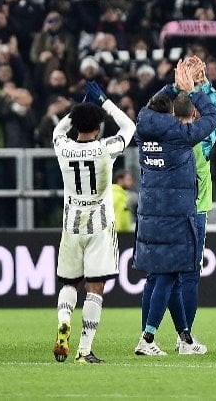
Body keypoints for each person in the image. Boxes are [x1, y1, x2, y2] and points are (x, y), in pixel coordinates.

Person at [132, 58, 216, 356]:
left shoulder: (143, 129)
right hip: (177, 215)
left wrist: (172, 86)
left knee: (159, 275)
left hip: (150, 214)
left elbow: (149, 108)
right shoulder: (181, 136)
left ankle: (185, 338)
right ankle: (147, 338)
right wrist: (192, 89)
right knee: (172, 275)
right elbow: (213, 116)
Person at [51, 81, 136, 365]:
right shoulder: (105, 148)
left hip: (71, 224)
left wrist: (78, 107)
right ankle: (84, 350)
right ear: (98, 128)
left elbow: (58, 131)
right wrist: (104, 102)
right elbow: (129, 127)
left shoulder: (63, 147)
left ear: (75, 125)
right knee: (95, 287)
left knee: (69, 283)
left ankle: (64, 321)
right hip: (99, 226)